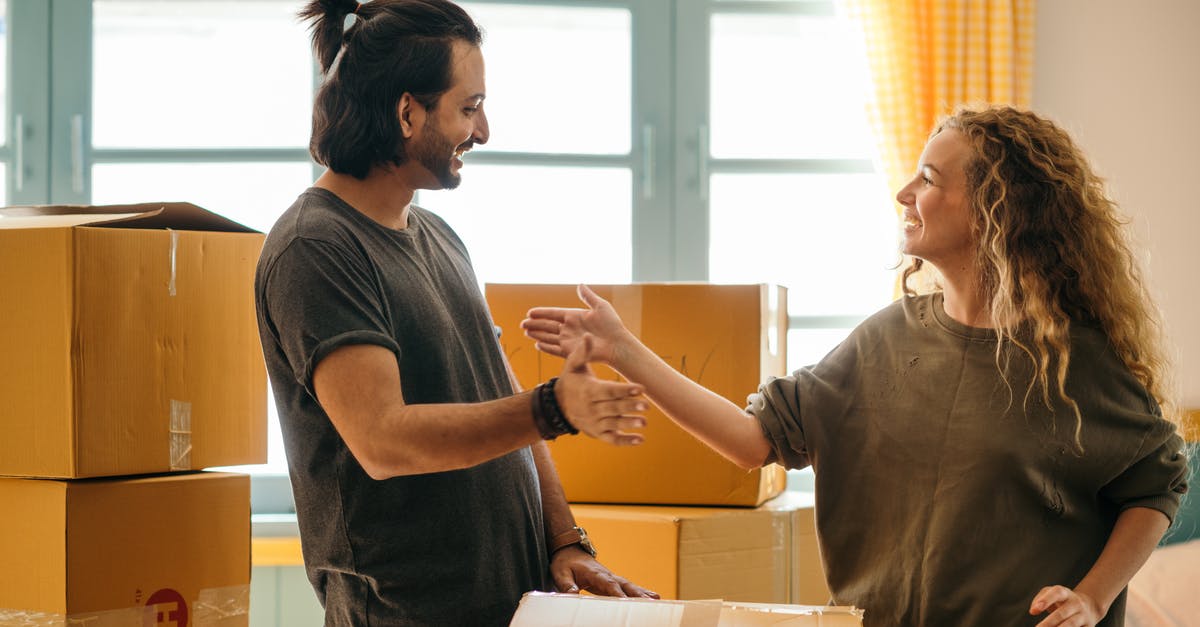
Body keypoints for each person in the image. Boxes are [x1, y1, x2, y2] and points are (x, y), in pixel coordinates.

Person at [522, 106, 1190, 627]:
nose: (904, 191)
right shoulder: (881, 343)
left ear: (996, 210)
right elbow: (751, 441)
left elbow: (1156, 483)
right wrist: (622, 348)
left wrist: (1093, 598)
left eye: (928, 178)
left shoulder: (1071, 364)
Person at [254, 0, 656, 624]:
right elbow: (383, 439)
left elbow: (502, 394)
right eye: (469, 108)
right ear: (407, 112)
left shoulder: (438, 235)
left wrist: (563, 539)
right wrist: (552, 408)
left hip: (506, 603)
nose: (485, 130)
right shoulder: (316, 247)